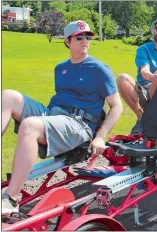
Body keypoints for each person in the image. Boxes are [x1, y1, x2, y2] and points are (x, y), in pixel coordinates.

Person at [1, 20, 123, 215]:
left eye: (87, 37)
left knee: (30, 125)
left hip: (79, 124)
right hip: (55, 114)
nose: (85, 41)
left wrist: (100, 136)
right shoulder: (61, 68)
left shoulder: (99, 69)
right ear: (67, 42)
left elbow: (116, 106)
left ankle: (11, 199)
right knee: (8, 95)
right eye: (79, 37)